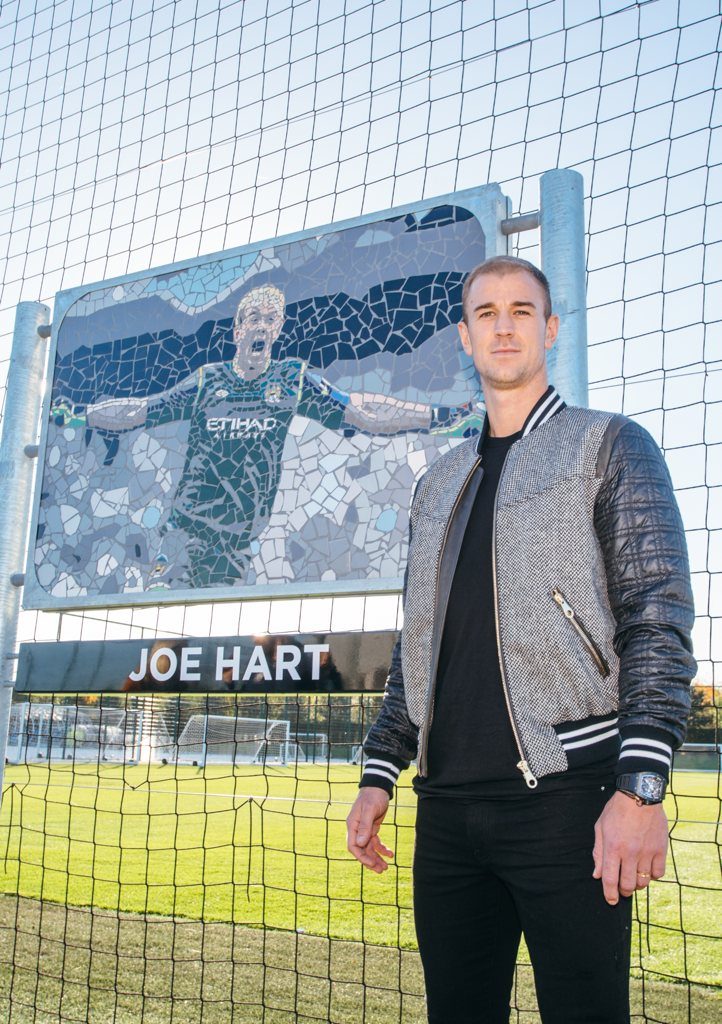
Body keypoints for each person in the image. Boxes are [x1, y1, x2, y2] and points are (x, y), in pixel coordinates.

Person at [345, 255, 695, 1023]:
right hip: (446, 814)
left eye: (522, 310)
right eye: (487, 313)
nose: (504, 325)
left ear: (551, 330)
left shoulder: (608, 447)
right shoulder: (436, 483)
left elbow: (657, 618)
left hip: (568, 802)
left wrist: (640, 787)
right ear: (465, 338)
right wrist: (381, 769)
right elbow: (421, 643)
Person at [62, 284, 473, 589]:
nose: (261, 325)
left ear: (277, 329)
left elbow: (363, 411)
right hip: (186, 532)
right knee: (160, 599)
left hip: (238, 543)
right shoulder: (209, 382)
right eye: (252, 318)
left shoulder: (291, 381)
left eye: (269, 319)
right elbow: (140, 410)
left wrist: (437, 416)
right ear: (237, 330)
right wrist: (82, 416)